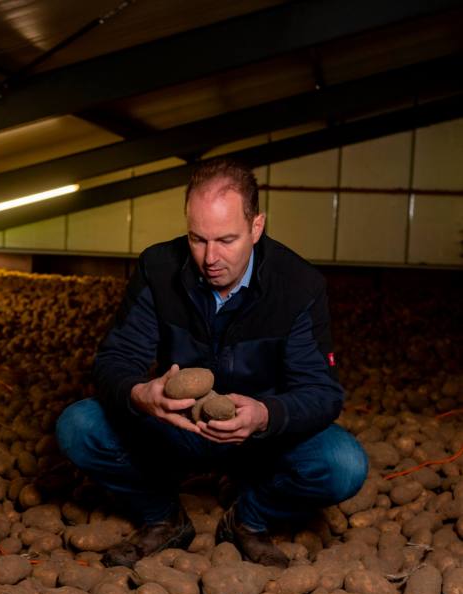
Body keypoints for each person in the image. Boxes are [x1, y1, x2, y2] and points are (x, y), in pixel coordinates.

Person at [56, 157, 367, 568]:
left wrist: (263, 415)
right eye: (197, 239)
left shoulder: (298, 286)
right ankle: (163, 519)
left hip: (258, 441)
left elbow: (323, 394)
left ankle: (248, 520)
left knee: (343, 464)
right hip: (175, 428)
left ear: (257, 227)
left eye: (226, 240)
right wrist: (141, 394)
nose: (209, 257)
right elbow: (115, 359)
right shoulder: (158, 267)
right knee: (78, 426)